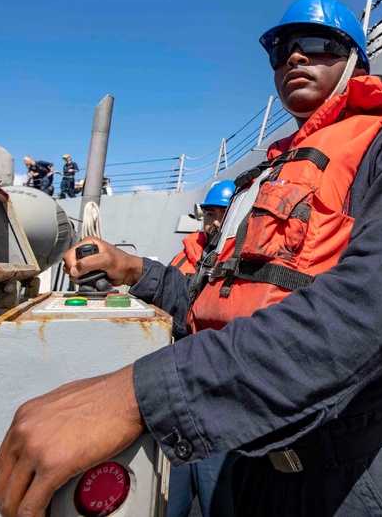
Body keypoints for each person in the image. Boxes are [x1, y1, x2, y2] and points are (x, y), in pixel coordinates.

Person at [0, 0, 382, 517]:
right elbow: (214, 302)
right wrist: (132, 271)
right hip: (253, 468)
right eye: (282, 50)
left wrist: (140, 395)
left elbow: (367, 315)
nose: (294, 58)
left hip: (360, 475)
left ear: (355, 58)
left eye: (316, 45)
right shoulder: (266, 177)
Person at [166, 179, 237, 517]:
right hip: (178, 401)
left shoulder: (244, 264)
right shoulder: (185, 258)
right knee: (169, 502)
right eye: (211, 214)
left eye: (225, 213)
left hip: (221, 408)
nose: (217, 222)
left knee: (219, 502)